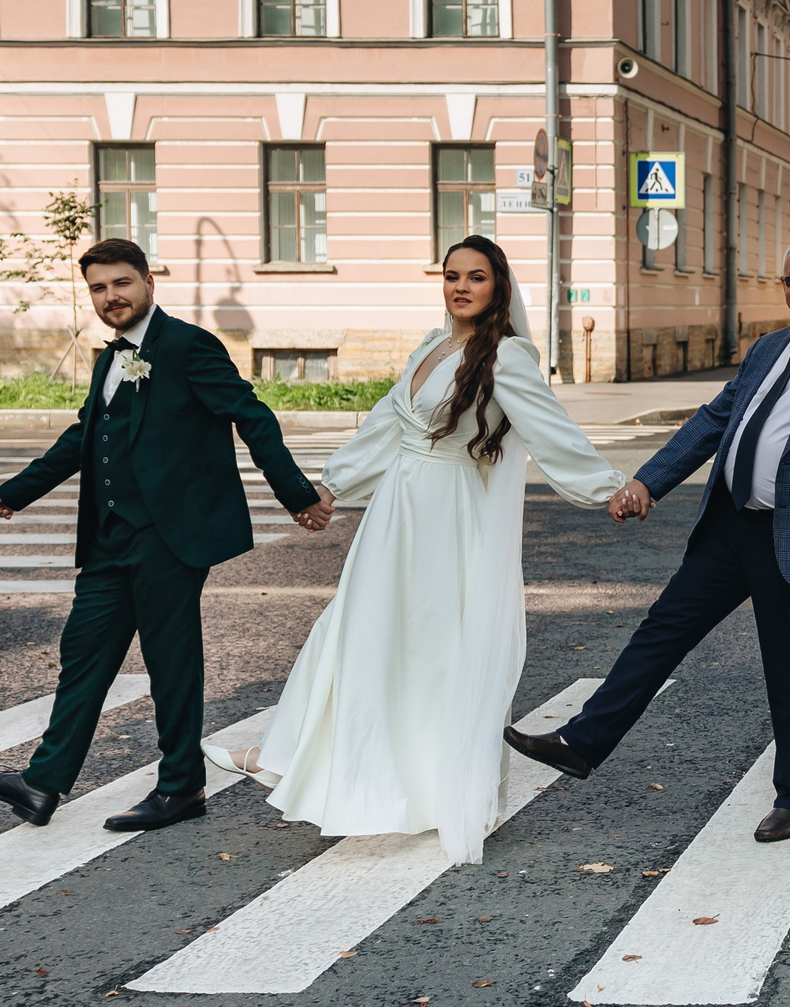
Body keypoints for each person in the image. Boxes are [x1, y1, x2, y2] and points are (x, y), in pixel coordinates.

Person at [204, 237, 625, 864]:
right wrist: (330, 488)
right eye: (452, 275)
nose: (460, 287)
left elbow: (551, 429)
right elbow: (385, 424)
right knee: (354, 629)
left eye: (476, 277)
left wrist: (610, 488)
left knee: (427, 647)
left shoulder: (507, 356)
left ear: (498, 287)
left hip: (445, 517)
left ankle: (419, 786)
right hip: (396, 512)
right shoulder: (432, 344)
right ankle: (300, 756)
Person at [502, 237, 790, 844]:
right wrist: (647, 481)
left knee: (788, 668)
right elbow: (715, 420)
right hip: (729, 525)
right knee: (661, 631)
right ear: (785, 285)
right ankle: (582, 744)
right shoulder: (769, 347)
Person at [0, 240, 333, 833]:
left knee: (170, 662)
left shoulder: (187, 345)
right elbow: (87, 435)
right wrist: (17, 489)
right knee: (83, 656)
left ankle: (182, 787)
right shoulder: (110, 359)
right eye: (100, 289)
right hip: (109, 537)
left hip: (169, 535)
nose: (112, 297)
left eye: (121, 284)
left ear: (148, 282)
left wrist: (297, 492)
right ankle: (41, 784)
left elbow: (251, 415)